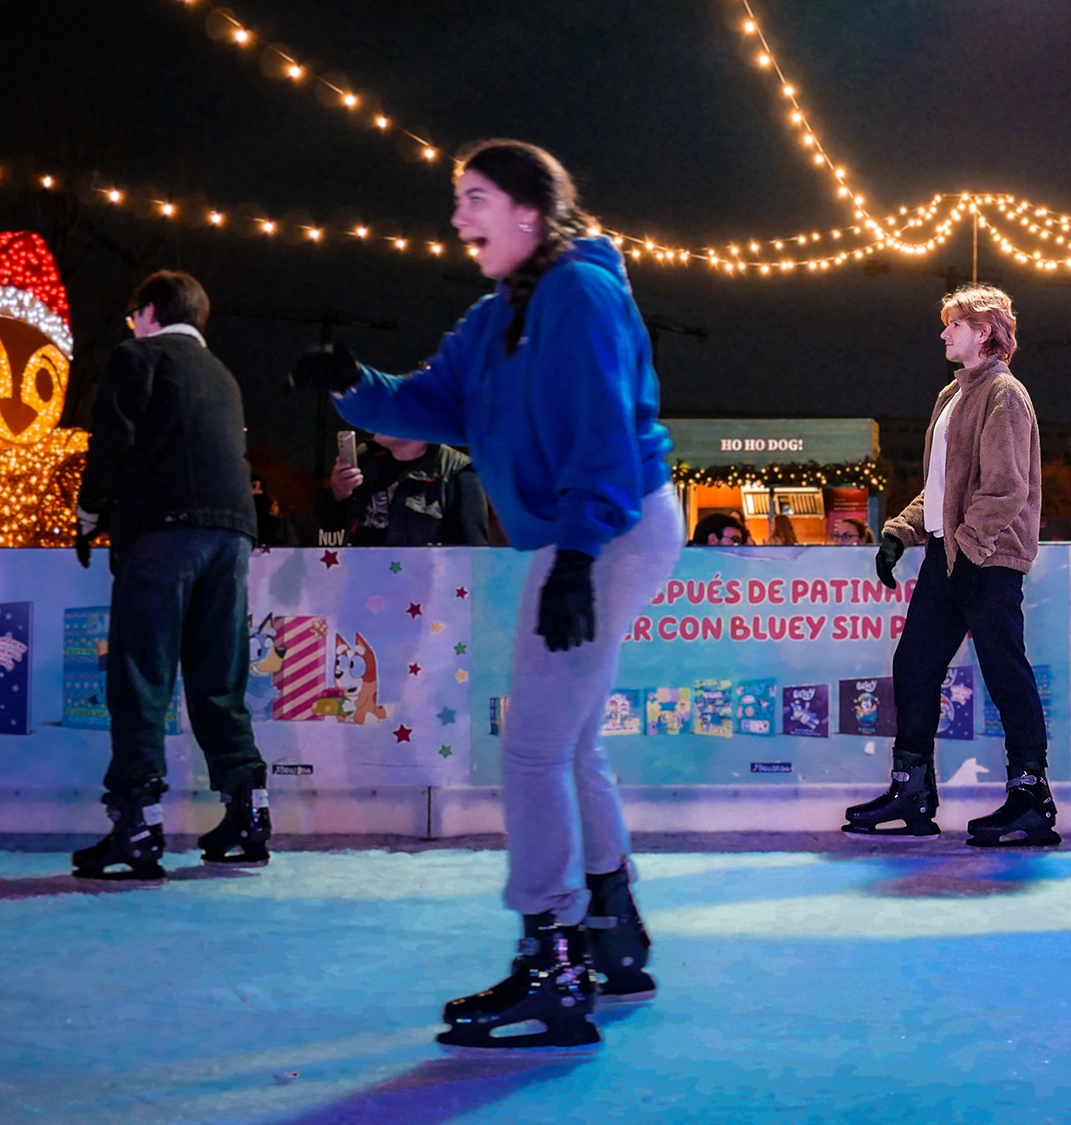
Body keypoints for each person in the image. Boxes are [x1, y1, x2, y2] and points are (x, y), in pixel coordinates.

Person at [290, 139, 677, 1054]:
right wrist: (353, 385)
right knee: (571, 741)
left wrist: (579, 557)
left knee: (534, 747)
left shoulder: (580, 294)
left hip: (608, 524)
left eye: (474, 199)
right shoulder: (498, 313)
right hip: (594, 527)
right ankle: (611, 935)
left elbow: (603, 437)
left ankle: (553, 965)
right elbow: (430, 402)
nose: (459, 218)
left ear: (529, 214)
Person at [71, 270, 272, 880]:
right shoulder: (224, 376)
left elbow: (113, 438)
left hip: (163, 531)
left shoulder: (139, 356)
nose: (130, 324)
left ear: (151, 311)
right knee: (218, 677)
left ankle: (136, 821)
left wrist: (87, 513)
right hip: (232, 534)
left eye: (134, 314)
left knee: (141, 675)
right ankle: (248, 811)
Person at [847, 284, 1055, 847]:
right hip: (951, 554)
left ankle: (1030, 797)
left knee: (1003, 669)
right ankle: (911, 789)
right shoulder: (950, 397)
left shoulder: (1004, 394)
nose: (944, 333)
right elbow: (941, 488)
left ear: (984, 331)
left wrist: (968, 544)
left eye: (954, 324)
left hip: (987, 556)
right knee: (914, 664)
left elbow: (1006, 489)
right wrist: (899, 532)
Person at [322, 433, 491, 547]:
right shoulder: (366, 458)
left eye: (390, 411)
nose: (377, 418)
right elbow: (330, 527)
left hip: (420, 592)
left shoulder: (458, 472)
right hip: (361, 584)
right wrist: (339, 493)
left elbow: (472, 553)